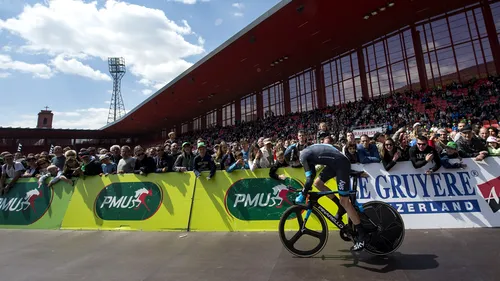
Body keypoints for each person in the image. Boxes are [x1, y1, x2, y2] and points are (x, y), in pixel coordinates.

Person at [284, 143, 367, 251]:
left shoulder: (303, 156)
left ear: (293, 157)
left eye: (292, 162)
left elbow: (309, 179)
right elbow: (312, 177)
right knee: (318, 183)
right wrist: (304, 191)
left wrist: (303, 194)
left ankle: (362, 236)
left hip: (340, 164)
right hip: (335, 163)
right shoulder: (306, 154)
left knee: (345, 202)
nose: (294, 164)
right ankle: (340, 207)